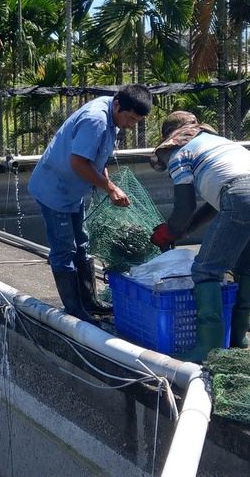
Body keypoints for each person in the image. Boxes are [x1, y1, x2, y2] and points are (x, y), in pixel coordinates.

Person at [149, 110, 250, 362]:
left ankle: (208, 350)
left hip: (242, 195)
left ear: (172, 141)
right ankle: (237, 339)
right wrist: (186, 230)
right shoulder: (221, 144)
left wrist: (169, 231)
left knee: (205, 270)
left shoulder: (181, 155)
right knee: (245, 267)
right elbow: (216, 203)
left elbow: (185, 208)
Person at [27, 85, 152, 323]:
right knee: (64, 249)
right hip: (55, 190)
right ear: (117, 105)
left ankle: (90, 301)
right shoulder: (95, 119)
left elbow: (97, 158)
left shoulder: (112, 116)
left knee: (82, 243)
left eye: (136, 121)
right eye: (131, 118)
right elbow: (78, 162)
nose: (131, 125)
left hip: (73, 191)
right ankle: (74, 310)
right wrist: (110, 187)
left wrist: (107, 184)